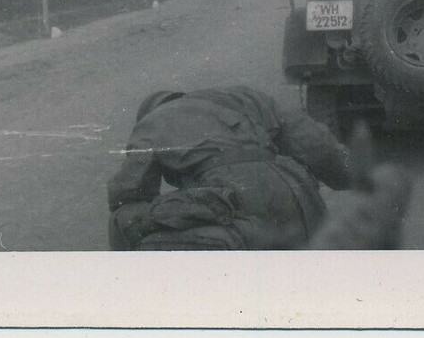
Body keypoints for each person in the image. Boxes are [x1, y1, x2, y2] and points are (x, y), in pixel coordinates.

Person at [107, 85, 355, 251]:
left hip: (231, 205)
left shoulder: (151, 122)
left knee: (123, 217)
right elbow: (317, 146)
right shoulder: (245, 96)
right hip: (297, 196)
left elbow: (126, 194)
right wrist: (351, 177)